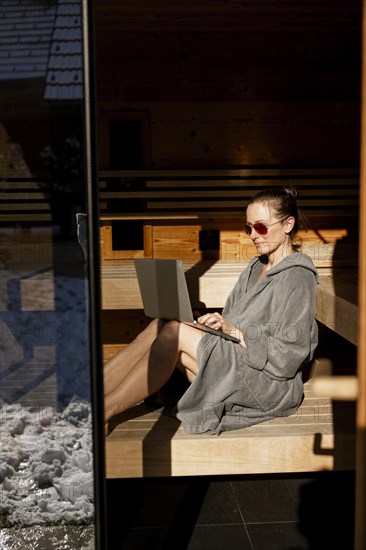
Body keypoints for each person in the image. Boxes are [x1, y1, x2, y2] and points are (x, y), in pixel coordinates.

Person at [104, 186, 318, 435]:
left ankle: (104, 412)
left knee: (175, 331)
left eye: (260, 227)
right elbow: (233, 322)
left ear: (288, 224)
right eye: (247, 228)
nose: (253, 235)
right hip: (238, 359)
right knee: (162, 324)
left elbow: (287, 358)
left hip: (268, 383)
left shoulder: (297, 278)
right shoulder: (254, 267)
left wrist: (236, 331)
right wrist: (204, 323)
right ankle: (90, 399)